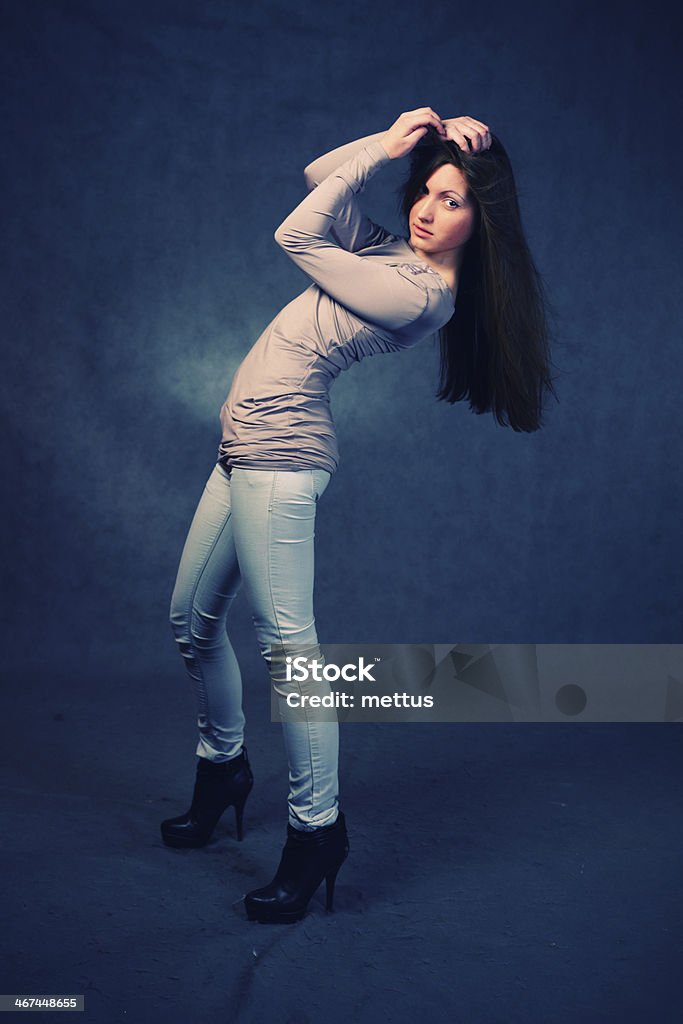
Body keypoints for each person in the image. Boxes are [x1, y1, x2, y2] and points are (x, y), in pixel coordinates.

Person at [160, 108, 557, 925]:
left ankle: (316, 831)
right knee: (191, 624)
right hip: (240, 446)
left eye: (453, 202)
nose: (428, 209)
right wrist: (404, 135)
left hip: (281, 459)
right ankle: (222, 770)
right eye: (427, 192)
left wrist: (383, 153)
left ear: (483, 223)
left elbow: (297, 234)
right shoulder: (390, 250)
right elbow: (317, 178)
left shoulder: (418, 291)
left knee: (290, 653)